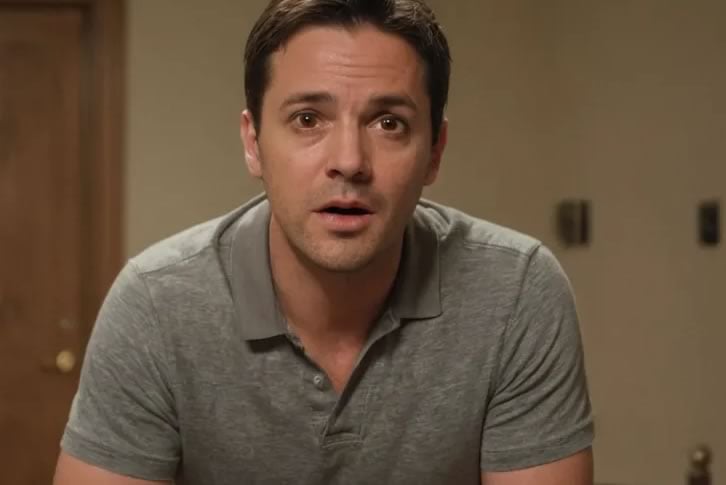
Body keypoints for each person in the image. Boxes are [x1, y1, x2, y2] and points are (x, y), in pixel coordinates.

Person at [54, 0, 594, 483]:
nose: (350, 161)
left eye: (389, 123)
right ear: (253, 142)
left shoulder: (516, 292)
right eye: (308, 119)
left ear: (435, 151)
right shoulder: (155, 304)